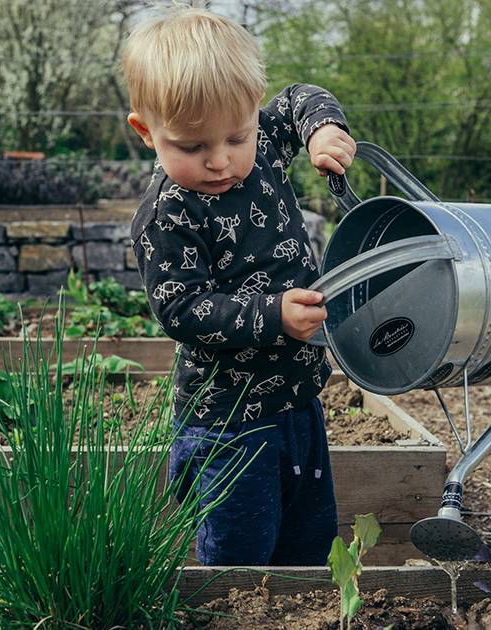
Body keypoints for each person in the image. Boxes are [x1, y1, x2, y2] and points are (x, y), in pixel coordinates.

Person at [121, 5, 356, 565]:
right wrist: (272, 315)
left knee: (308, 537)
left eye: (236, 136)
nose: (221, 160)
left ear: (253, 114)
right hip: (227, 423)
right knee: (240, 555)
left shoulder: (266, 143)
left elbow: (301, 96)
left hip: (300, 401)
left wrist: (324, 129)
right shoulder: (168, 215)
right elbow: (182, 309)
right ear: (146, 132)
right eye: (192, 147)